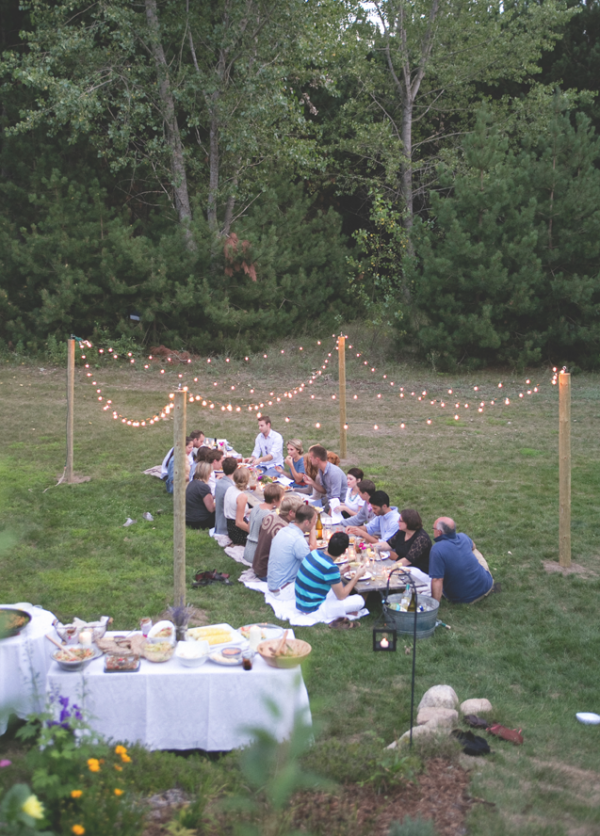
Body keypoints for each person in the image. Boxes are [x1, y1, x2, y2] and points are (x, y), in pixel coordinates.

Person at [295, 531, 366, 618]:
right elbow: (341, 596)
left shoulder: (315, 553)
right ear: (344, 552)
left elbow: (319, 575)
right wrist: (357, 576)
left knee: (340, 586)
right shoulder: (331, 568)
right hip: (313, 608)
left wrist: (339, 572)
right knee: (360, 600)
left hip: (301, 601)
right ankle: (345, 612)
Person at [429, 517, 494, 604]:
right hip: (486, 586)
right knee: (474, 550)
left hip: (464, 599)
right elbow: (473, 546)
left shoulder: (437, 549)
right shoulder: (463, 536)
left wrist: (434, 605)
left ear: (439, 532)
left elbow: (437, 580)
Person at [267, 504, 318, 594]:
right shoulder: (298, 540)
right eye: (314, 521)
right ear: (306, 522)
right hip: (283, 590)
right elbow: (313, 568)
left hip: (273, 585)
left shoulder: (283, 530)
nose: (315, 524)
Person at [253, 496, 303, 581]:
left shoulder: (270, 516)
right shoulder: (285, 529)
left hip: (257, 566)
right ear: (291, 512)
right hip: (268, 574)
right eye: (299, 511)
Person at [243, 483, 284, 565]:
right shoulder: (270, 516)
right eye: (281, 499)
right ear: (274, 500)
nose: (282, 500)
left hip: (247, 549)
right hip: (257, 554)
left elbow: (249, 528)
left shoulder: (256, 507)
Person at [305, 445, 348, 513]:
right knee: (305, 507)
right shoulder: (321, 469)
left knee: (311, 513)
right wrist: (312, 483)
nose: (310, 459)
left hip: (340, 504)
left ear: (317, 459)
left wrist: (328, 517)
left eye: (311, 457)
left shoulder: (334, 473)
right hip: (328, 500)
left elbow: (336, 499)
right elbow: (324, 490)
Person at [387, 509, 432, 574]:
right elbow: (388, 544)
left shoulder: (421, 538)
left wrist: (390, 568)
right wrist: (370, 546)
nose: (397, 522)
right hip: (404, 567)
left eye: (400, 520)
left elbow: (408, 560)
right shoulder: (402, 532)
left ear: (408, 523)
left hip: (419, 571)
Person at [224, 467, 251, 545]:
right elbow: (239, 523)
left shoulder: (230, 489)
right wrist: (254, 533)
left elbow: (236, 509)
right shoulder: (242, 496)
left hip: (230, 527)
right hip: (238, 532)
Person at [185, 462, 216, 530]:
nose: (210, 476)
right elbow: (211, 509)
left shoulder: (192, 483)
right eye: (209, 474)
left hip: (189, 519)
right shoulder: (203, 487)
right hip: (200, 521)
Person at [215, 457, 238, 537]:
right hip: (226, 528)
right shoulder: (230, 488)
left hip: (219, 523)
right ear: (236, 469)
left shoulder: (220, 482)